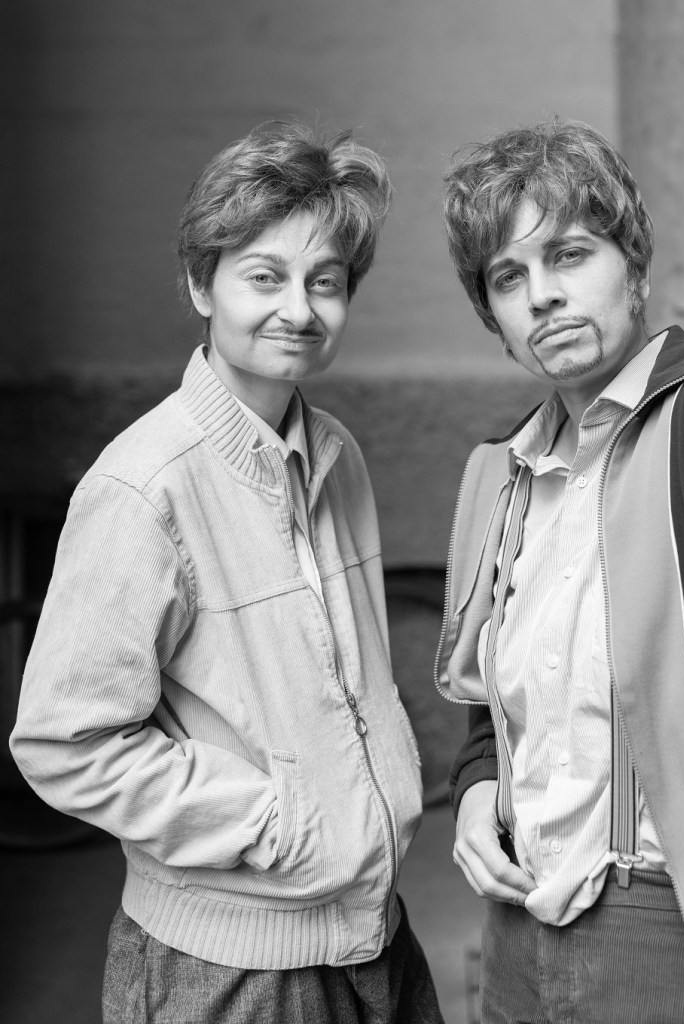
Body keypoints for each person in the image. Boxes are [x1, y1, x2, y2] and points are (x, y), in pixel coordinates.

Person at [11, 121, 443, 1024]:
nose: (300, 310)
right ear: (200, 284)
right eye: (264, 276)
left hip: (374, 934)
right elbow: (63, 743)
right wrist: (280, 825)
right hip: (228, 967)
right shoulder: (143, 488)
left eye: (325, 281)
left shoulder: (337, 455)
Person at [435, 118, 684, 1024]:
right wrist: (478, 791)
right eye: (507, 277)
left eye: (570, 254)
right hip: (514, 936)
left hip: (678, 931)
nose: (543, 295)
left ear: (634, 266)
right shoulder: (500, 474)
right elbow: (501, 706)